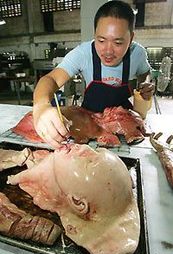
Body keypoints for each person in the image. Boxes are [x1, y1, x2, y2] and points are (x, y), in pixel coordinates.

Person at [33, 0, 154, 149]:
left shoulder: (137, 54)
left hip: (123, 122)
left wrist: (146, 83)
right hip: (88, 121)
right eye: (101, 40)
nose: (108, 51)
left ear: (131, 38)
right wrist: (41, 106)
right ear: (95, 34)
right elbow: (51, 78)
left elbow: (145, 73)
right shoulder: (84, 53)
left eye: (118, 43)